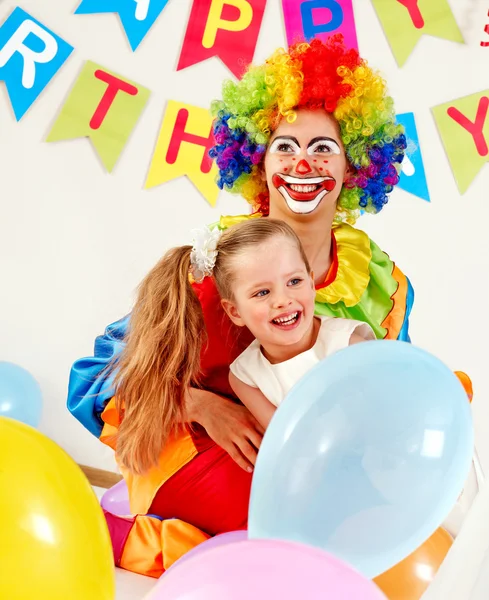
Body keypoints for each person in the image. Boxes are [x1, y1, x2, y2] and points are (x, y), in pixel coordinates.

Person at [68, 35, 429, 577]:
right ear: (258, 162)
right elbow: (99, 374)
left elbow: (384, 400)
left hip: (307, 464)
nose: (303, 163)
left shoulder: (382, 284)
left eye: (322, 147)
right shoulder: (216, 267)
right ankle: (127, 533)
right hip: (202, 452)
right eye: (285, 146)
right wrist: (202, 406)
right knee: (289, 540)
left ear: (355, 168)